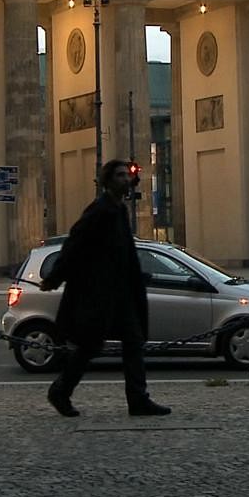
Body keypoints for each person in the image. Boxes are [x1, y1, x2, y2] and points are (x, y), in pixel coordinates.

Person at [39, 159, 170, 418]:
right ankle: (61, 390)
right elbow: (74, 245)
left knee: (133, 342)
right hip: (100, 293)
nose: (126, 179)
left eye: (127, 176)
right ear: (108, 181)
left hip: (120, 292)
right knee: (90, 346)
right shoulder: (100, 211)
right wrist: (55, 277)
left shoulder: (118, 209)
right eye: (120, 175)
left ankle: (138, 399)